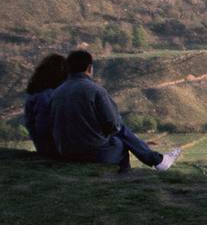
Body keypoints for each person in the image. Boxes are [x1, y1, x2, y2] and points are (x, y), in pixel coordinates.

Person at [49, 49, 181, 172]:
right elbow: (113, 125)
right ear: (89, 68)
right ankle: (144, 168)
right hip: (93, 153)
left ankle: (157, 160)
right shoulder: (95, 90)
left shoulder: (56, 93)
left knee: (119, 131)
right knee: (120, 137)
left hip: (65, 152)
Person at [23, 53, 67, 157]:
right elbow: (43, 127)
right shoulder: (45, 96)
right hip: (51, 148)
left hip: (45, 146)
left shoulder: (37, 94)